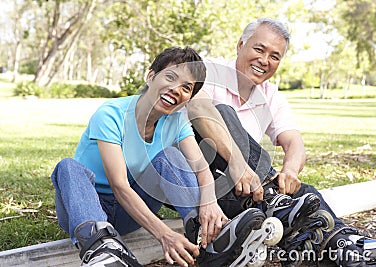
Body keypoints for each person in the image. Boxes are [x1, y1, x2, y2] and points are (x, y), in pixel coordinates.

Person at [186, 18, 376, 266]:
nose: (264, 60)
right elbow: (197, 108)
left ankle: (346, 248)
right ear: (240, 45)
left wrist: (289, 171)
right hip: (202, 182)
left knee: (302, 192)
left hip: (245, 190)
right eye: (259, 49)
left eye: (275, 56)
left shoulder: (271, 95)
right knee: (221, 111)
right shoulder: (211, 71)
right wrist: (238, 164)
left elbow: (294, 141)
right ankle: (279, 208)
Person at [51, 46, 275, 267]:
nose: (176, 89)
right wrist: (164, 234)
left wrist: (209, 203)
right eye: (170, 77)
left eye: (186, 87)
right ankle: (103, 249)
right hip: (87, 207)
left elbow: (202, 171)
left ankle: (206, 237)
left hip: (129, 213)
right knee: (67, 167)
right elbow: (119, 186)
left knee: (169, 157)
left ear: (188, 98)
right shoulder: (111, 113)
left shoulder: (176, 122)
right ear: (150, 76)